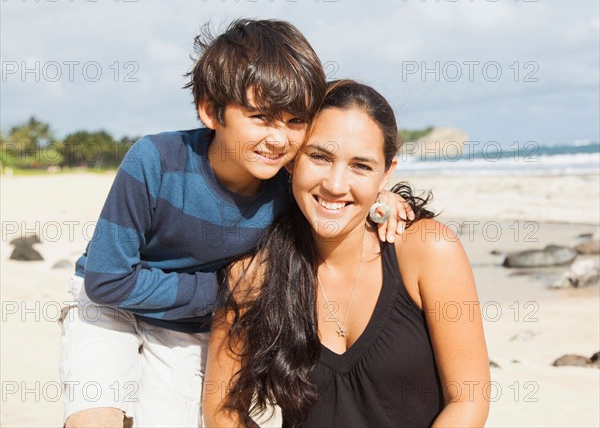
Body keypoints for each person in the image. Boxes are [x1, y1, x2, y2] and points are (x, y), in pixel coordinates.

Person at [59, 21, 411, 427]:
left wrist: (382, 197)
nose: (278, 139)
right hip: (110, 305)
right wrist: (224, 289)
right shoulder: (154, 161)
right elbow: (106, 279)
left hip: (193, 325)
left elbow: (337, 191)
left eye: (295, 121)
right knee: (95, 419)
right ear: (211, 111)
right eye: (260, 117)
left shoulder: (287, 186)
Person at [203, 80, 491, 428]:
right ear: (293, 160)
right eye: (320, 157)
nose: (336, 185)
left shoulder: (428, 250)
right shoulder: (254, 273)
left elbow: (469, 399)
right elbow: (221, 408)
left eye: (361, 166)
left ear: (387, 173)